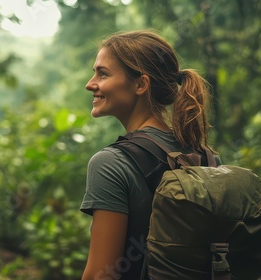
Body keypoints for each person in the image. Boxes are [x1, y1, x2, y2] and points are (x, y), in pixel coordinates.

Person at [80, 30, 215, 279]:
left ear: (140, 84)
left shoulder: (110, 164)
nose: (90, 84)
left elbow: (101, 275)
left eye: (103, 73)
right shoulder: (206, 157)